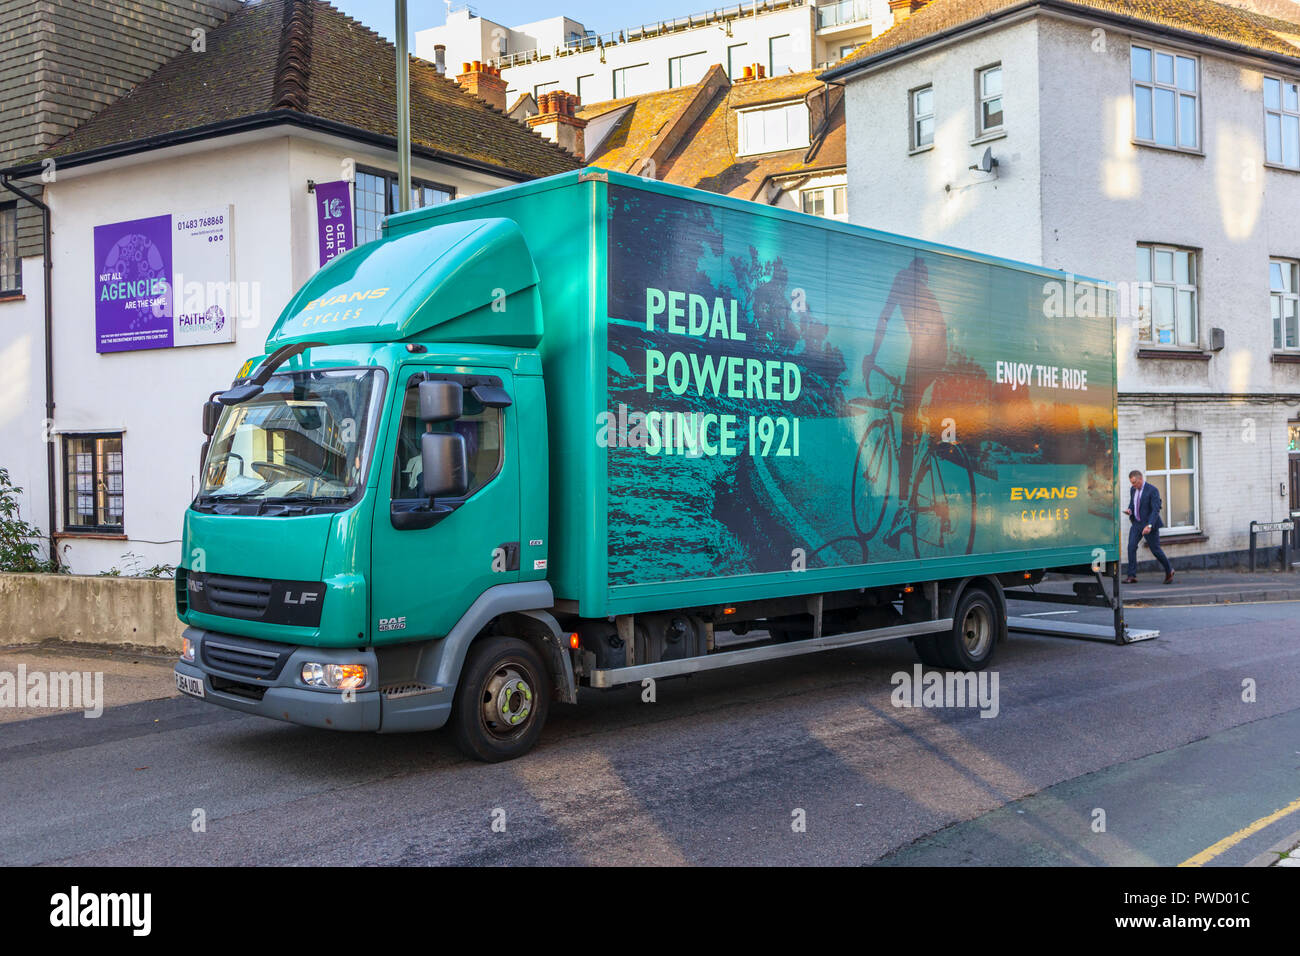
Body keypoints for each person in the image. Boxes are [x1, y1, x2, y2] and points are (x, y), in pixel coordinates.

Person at [864, 256, 949, 548]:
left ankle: (902, 509)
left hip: (926, 350)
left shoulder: (902, 278)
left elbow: (884, 319)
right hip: (933, 350)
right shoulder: (922, 289)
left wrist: (871, 358)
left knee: (907, 427)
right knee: (912, 417)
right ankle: (924, 454)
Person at [1123, 469, 1174, 584]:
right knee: (1131, 547)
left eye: (1135, 482)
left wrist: (1149, 525)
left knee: (1155, 550)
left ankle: (1169, 570)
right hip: (1137, 524)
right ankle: (1131, 576)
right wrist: (1129, 510)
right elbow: (1133, 503)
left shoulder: (1152, 490)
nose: (1133, 485)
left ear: (1141, 479)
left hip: (1149, 525)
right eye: (1131, 483)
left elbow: (1155, 509)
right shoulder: (1133, 489)